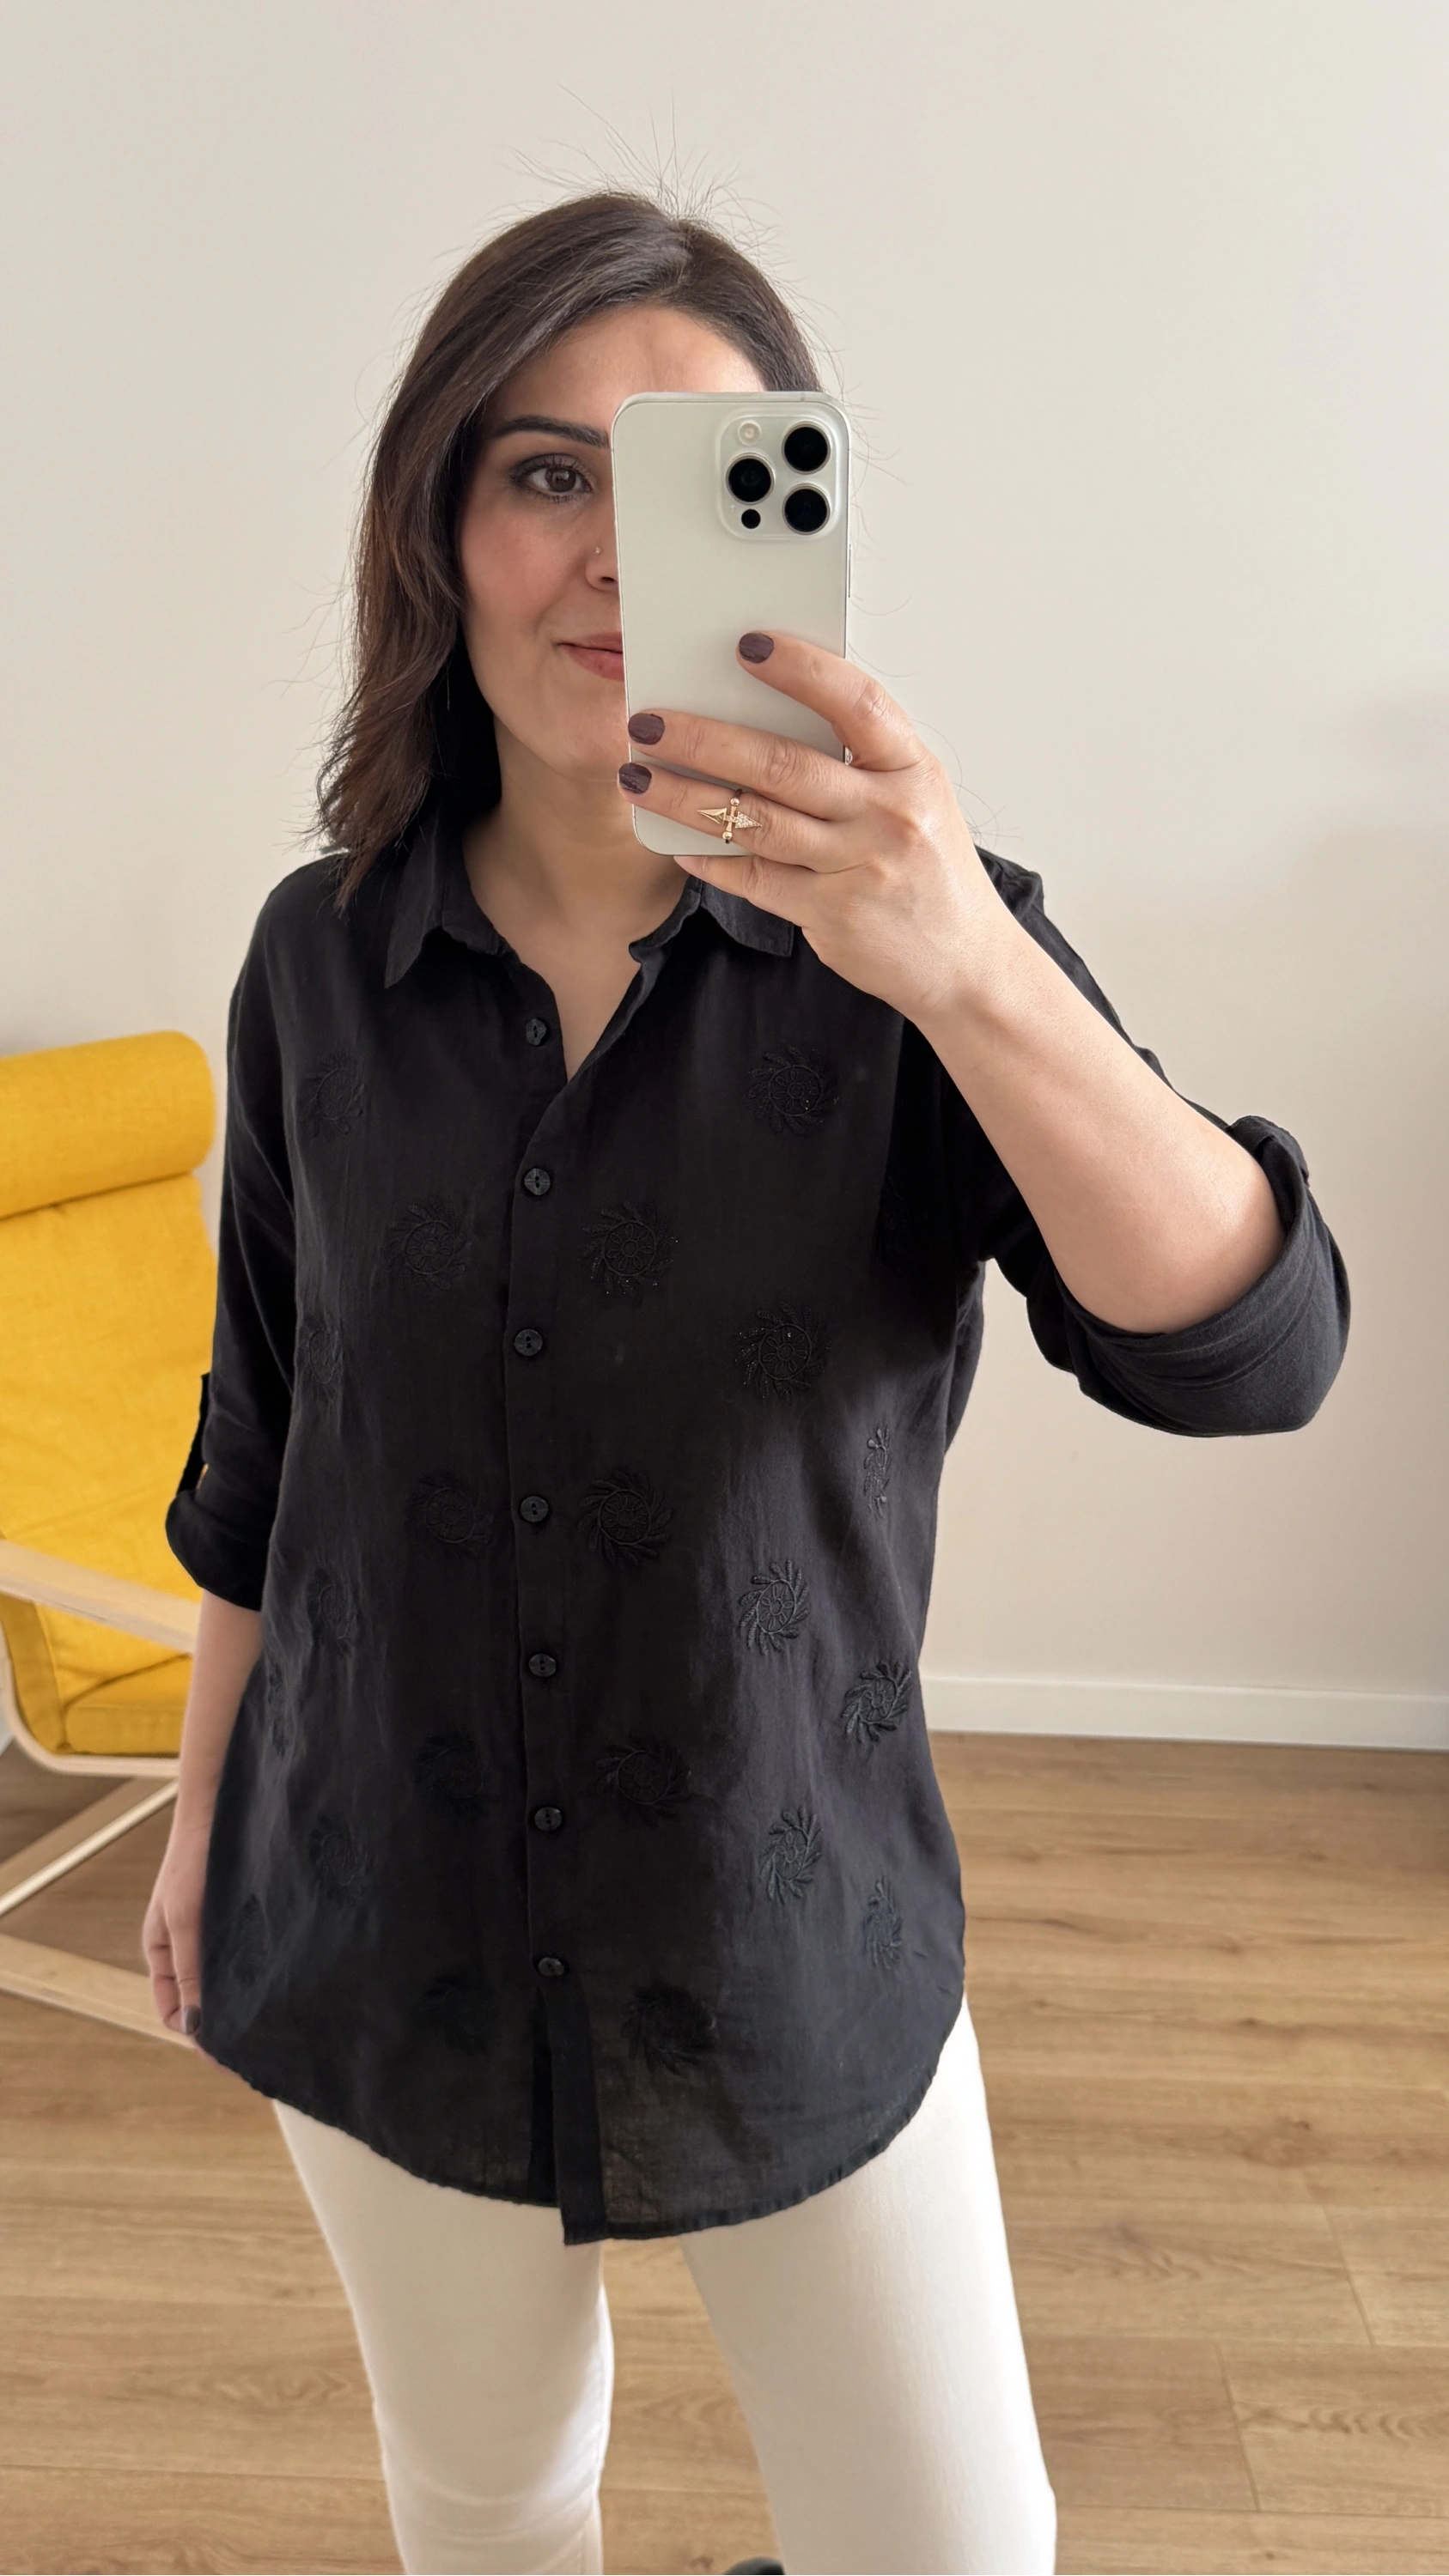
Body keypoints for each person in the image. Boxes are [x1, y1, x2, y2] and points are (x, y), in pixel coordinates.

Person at [143, 190, 1349, 2576]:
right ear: (436, 528)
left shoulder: (925, 955)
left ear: (799, 525)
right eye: (543, 473)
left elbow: (1253, 1351)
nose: (613, 554)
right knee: (490, 2500)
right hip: (373, 1907)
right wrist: (203, 1822)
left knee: (948, 2545)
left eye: (701, 481)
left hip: (786, 1930)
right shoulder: (319, 959)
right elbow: (266, 1424)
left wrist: (965, 965)